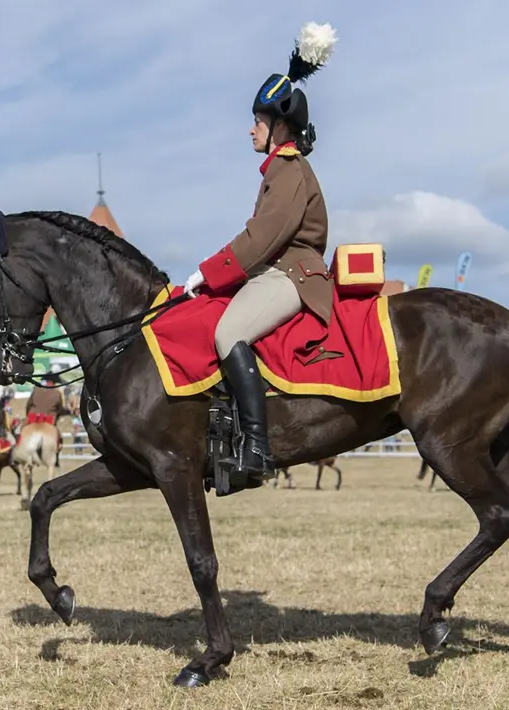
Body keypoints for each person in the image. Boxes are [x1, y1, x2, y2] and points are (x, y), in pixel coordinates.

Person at [181, 21, 337, 490]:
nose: (251, 129)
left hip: (293, 274)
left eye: (258, 121)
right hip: (278, 271)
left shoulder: (289, 169)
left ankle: (256, 448)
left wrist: (207, 274)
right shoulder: (279, 170)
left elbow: (264, 236)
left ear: (279, 126)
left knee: (229, 331)